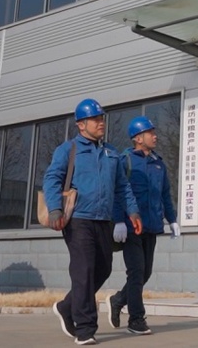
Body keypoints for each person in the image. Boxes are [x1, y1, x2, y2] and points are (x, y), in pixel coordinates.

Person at [45, 98, 142, 346]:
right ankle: (85, 328)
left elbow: (122, 186)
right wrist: (55, 209)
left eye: (102, 118)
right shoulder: (68, 150)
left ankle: (67, 306)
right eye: (95, 119)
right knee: (84, 270)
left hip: (103, 220)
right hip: (78, 219)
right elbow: (52, 179)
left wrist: (132, 212)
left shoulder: (111, 152)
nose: (101, 123)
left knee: (103, 268)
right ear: (81, 124)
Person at [107, 115, 179, 336]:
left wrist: (172, 219)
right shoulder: (125, 161)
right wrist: (119, 220)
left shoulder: (159, 164)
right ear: (138, 138)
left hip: (152, 226)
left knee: (145, 273)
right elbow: (117, 192)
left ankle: (118, 300)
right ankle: (136, 319)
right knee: (136, 272)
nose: (155, 136)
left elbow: (165, 194)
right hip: (131, 227)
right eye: (150, 133)